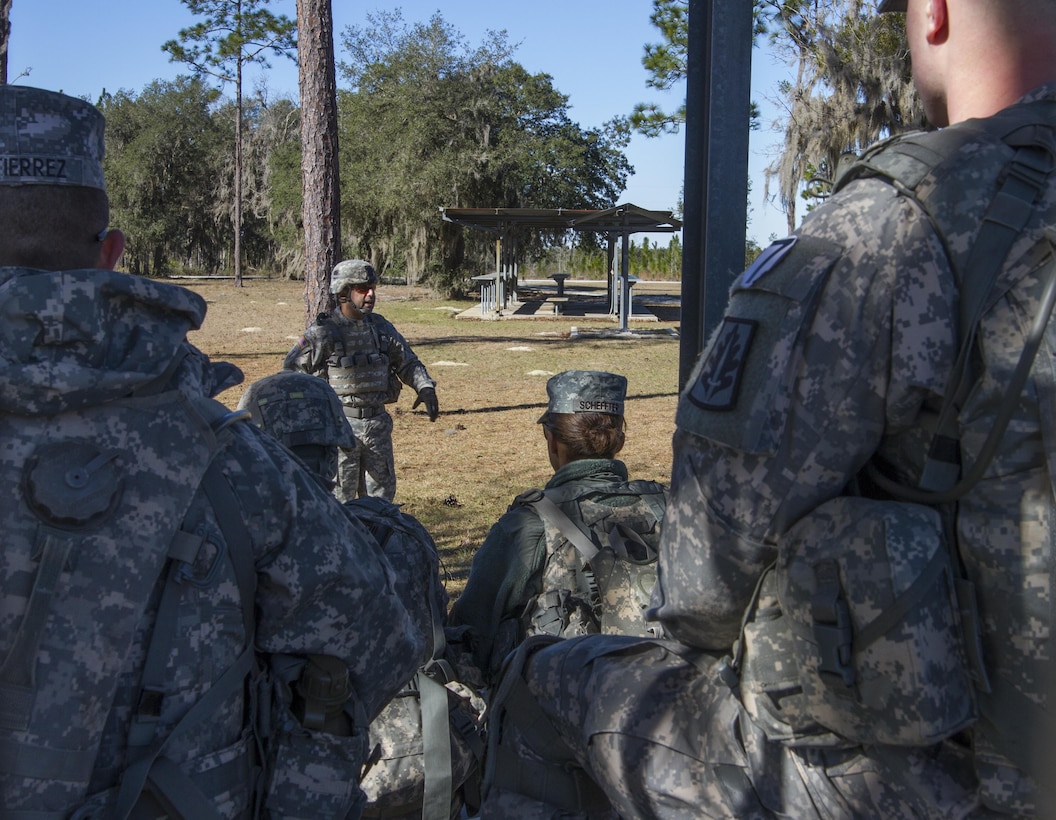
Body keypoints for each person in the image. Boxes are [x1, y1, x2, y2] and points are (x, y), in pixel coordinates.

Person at [479, 1, 1056, 817]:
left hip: (945, 783)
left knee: (544, 680)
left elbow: (705, 577)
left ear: (935, 14)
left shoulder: (899, 217)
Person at [0, 86, 423, 819]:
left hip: (366, 425)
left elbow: (401, 356)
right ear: (109, 254)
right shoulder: (227, 460)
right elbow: (370, 640)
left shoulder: (256, 432)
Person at [238, 370, 486, 820]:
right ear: (335, 456)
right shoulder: (400, 534)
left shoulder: (233, 556)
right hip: (423, 755)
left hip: (293, 779)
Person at [449, 370, 667, 687]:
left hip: (563, 722)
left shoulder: (528, 524)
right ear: (618, 438)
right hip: (673, 707)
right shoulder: (669, 505)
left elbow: (471, 630)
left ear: (551, 440)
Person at [283, 258, 439, 502]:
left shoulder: (380, 328)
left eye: (373, 288)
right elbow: (291, 372)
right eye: (362, 289)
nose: (370, 295)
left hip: (377, 428)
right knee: (339, 501)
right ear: (344, 292)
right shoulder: (324, 332)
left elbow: (407, 362)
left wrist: (425, 386)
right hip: (339, 429)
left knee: (382, 501)